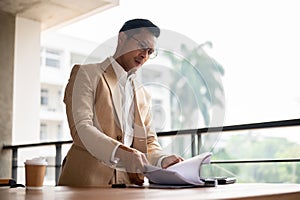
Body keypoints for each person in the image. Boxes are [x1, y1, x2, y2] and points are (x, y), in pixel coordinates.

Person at [58, 18, 183, 186]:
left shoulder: (143, 94)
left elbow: (149, 142)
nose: (144, 55)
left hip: (129, 186)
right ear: (122, 38)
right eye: (142, 45)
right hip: (85, 183)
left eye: (150, 52)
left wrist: (162, 160)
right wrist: (120, 152)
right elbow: (82, 129)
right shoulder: (86, 74)